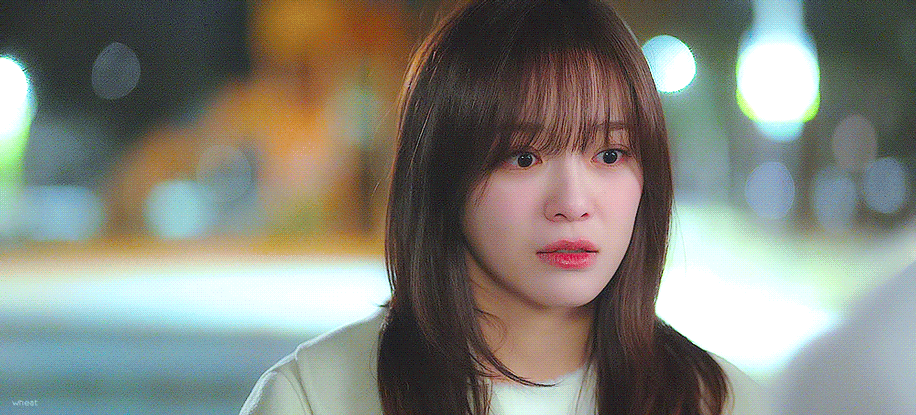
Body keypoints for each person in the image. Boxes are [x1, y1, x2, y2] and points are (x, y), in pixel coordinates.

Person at [240, 1, 767, 414]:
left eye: (609, 154)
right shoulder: (315, 397)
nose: (572, 204)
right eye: (523, 157)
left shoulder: (722, 402)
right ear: (443, 173)